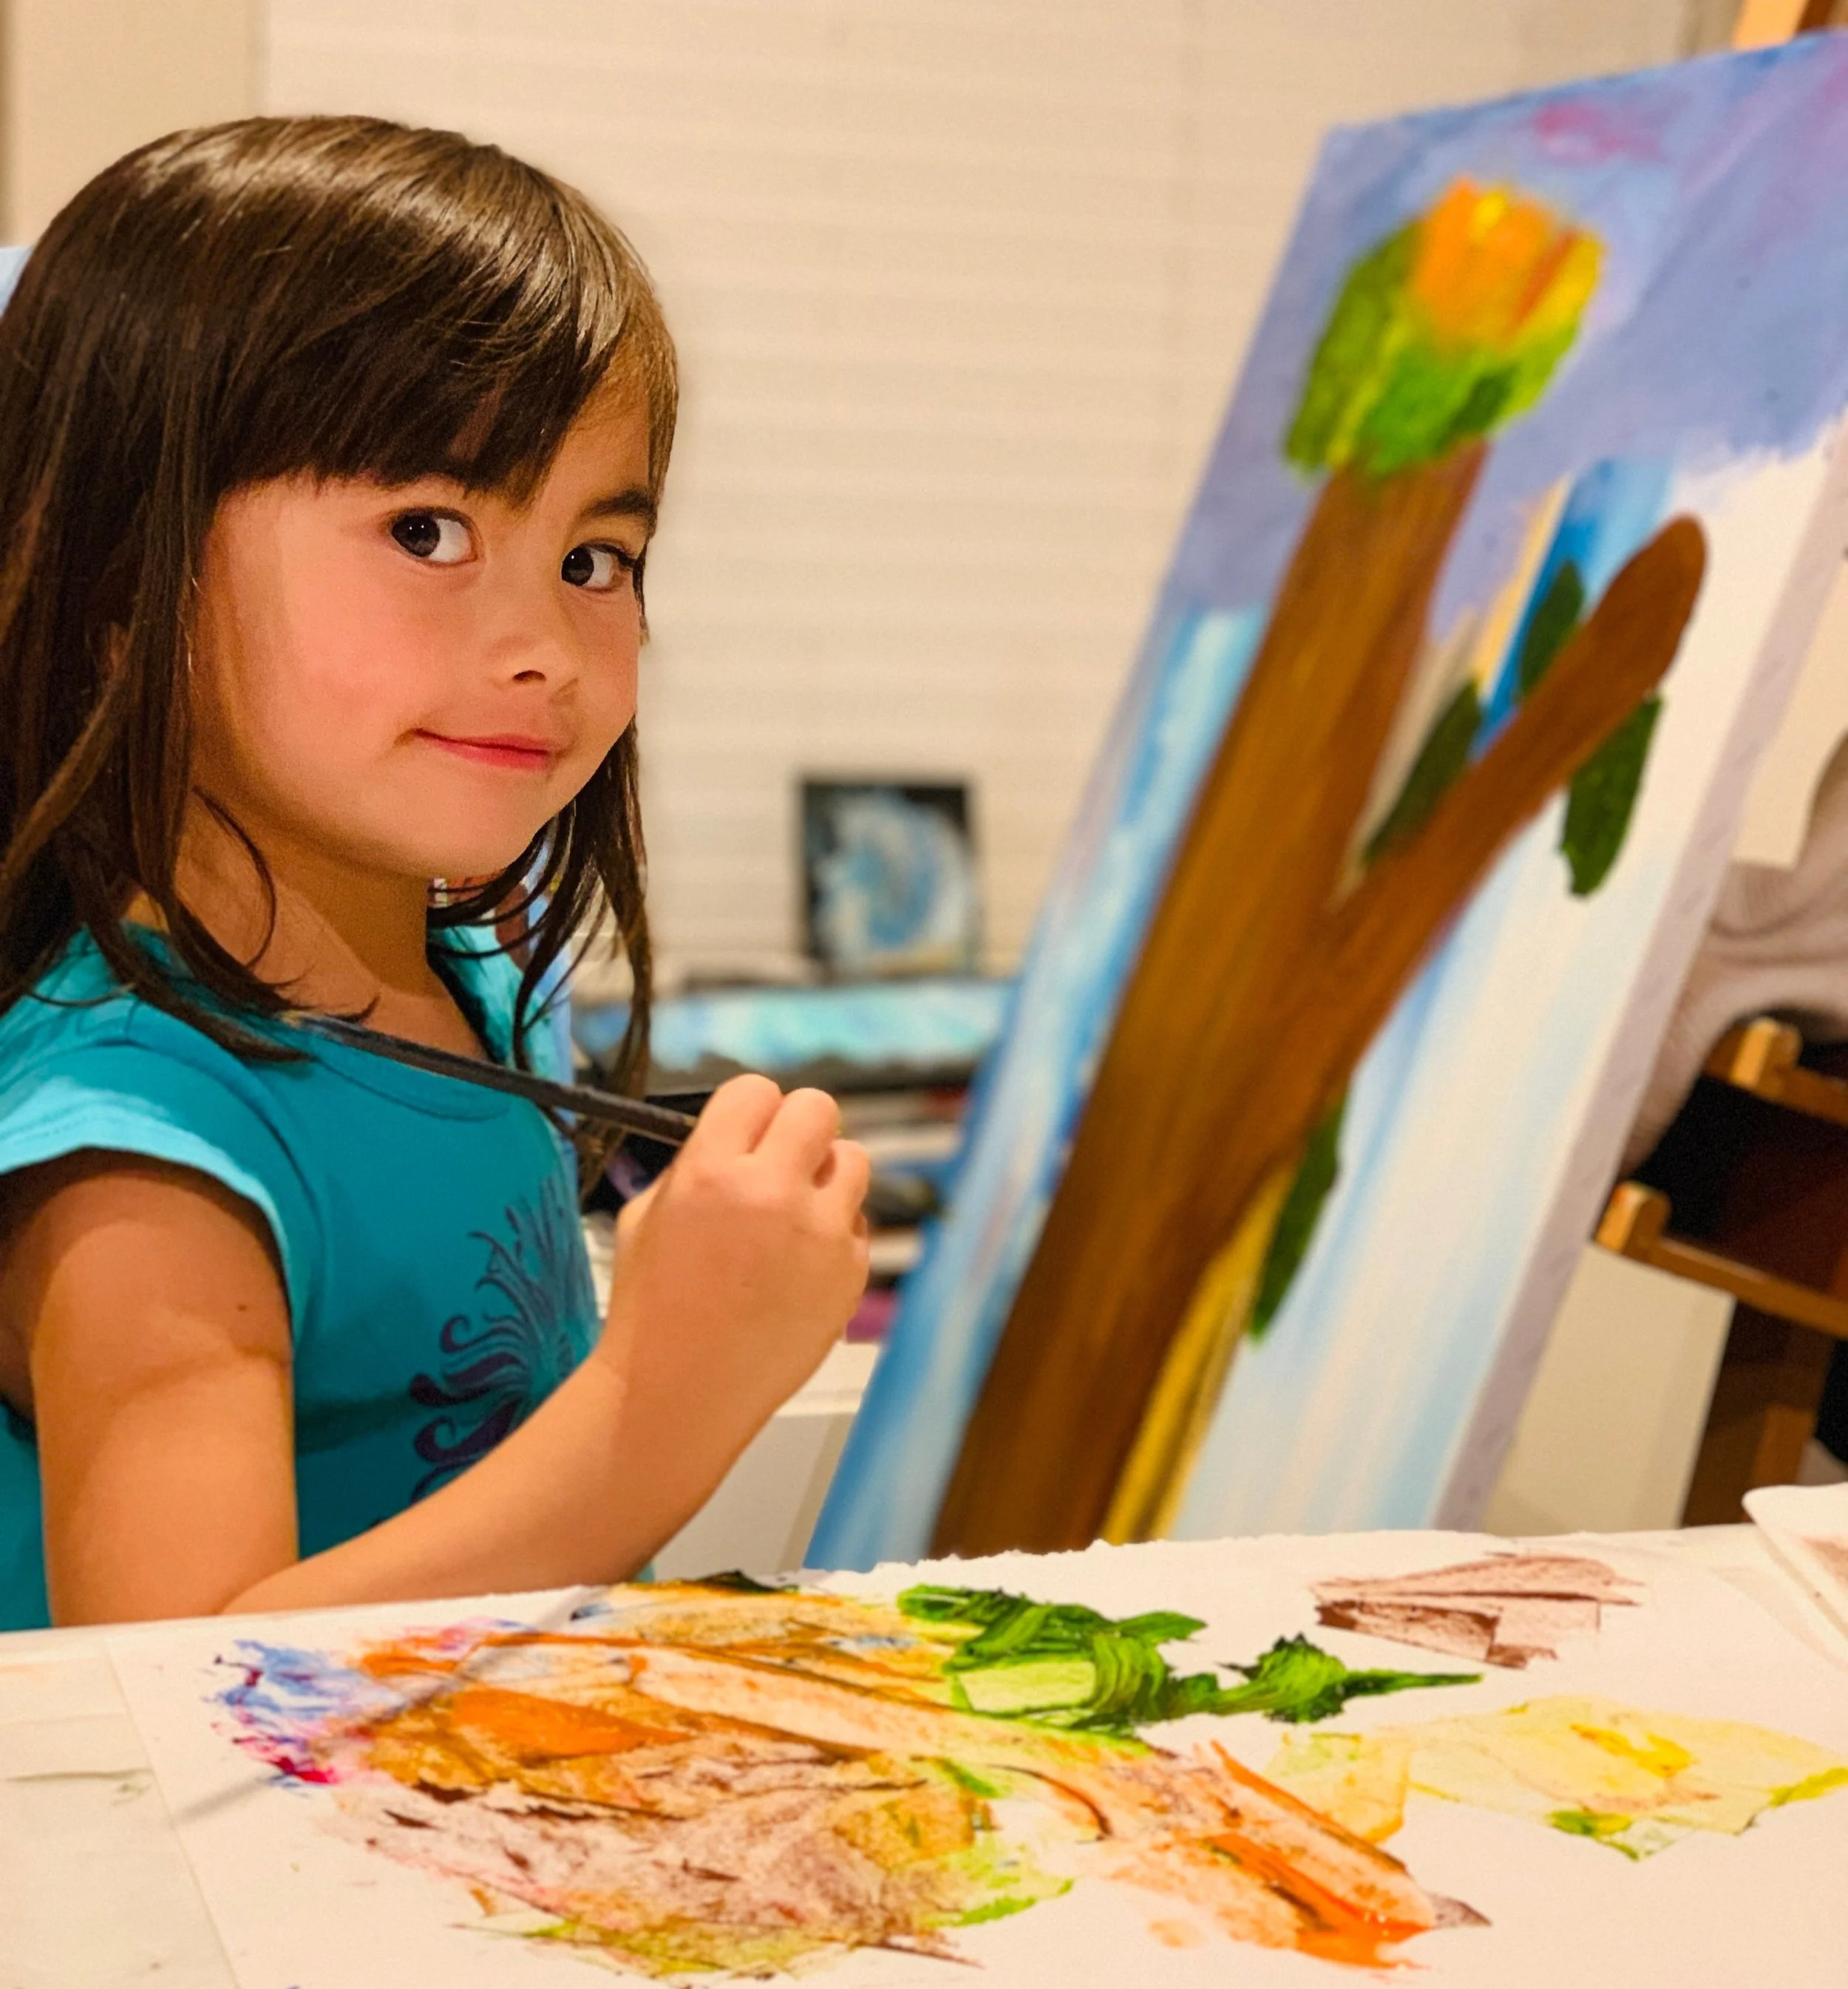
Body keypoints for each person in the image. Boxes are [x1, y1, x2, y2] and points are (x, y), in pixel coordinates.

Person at [0, 118, 870, 1632]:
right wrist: (666, 1395)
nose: (543, 643)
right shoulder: (144, 1153)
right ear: (113, 574)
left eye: (595, 557)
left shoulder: (487, 993)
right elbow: (171, 1680)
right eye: (429, 528)